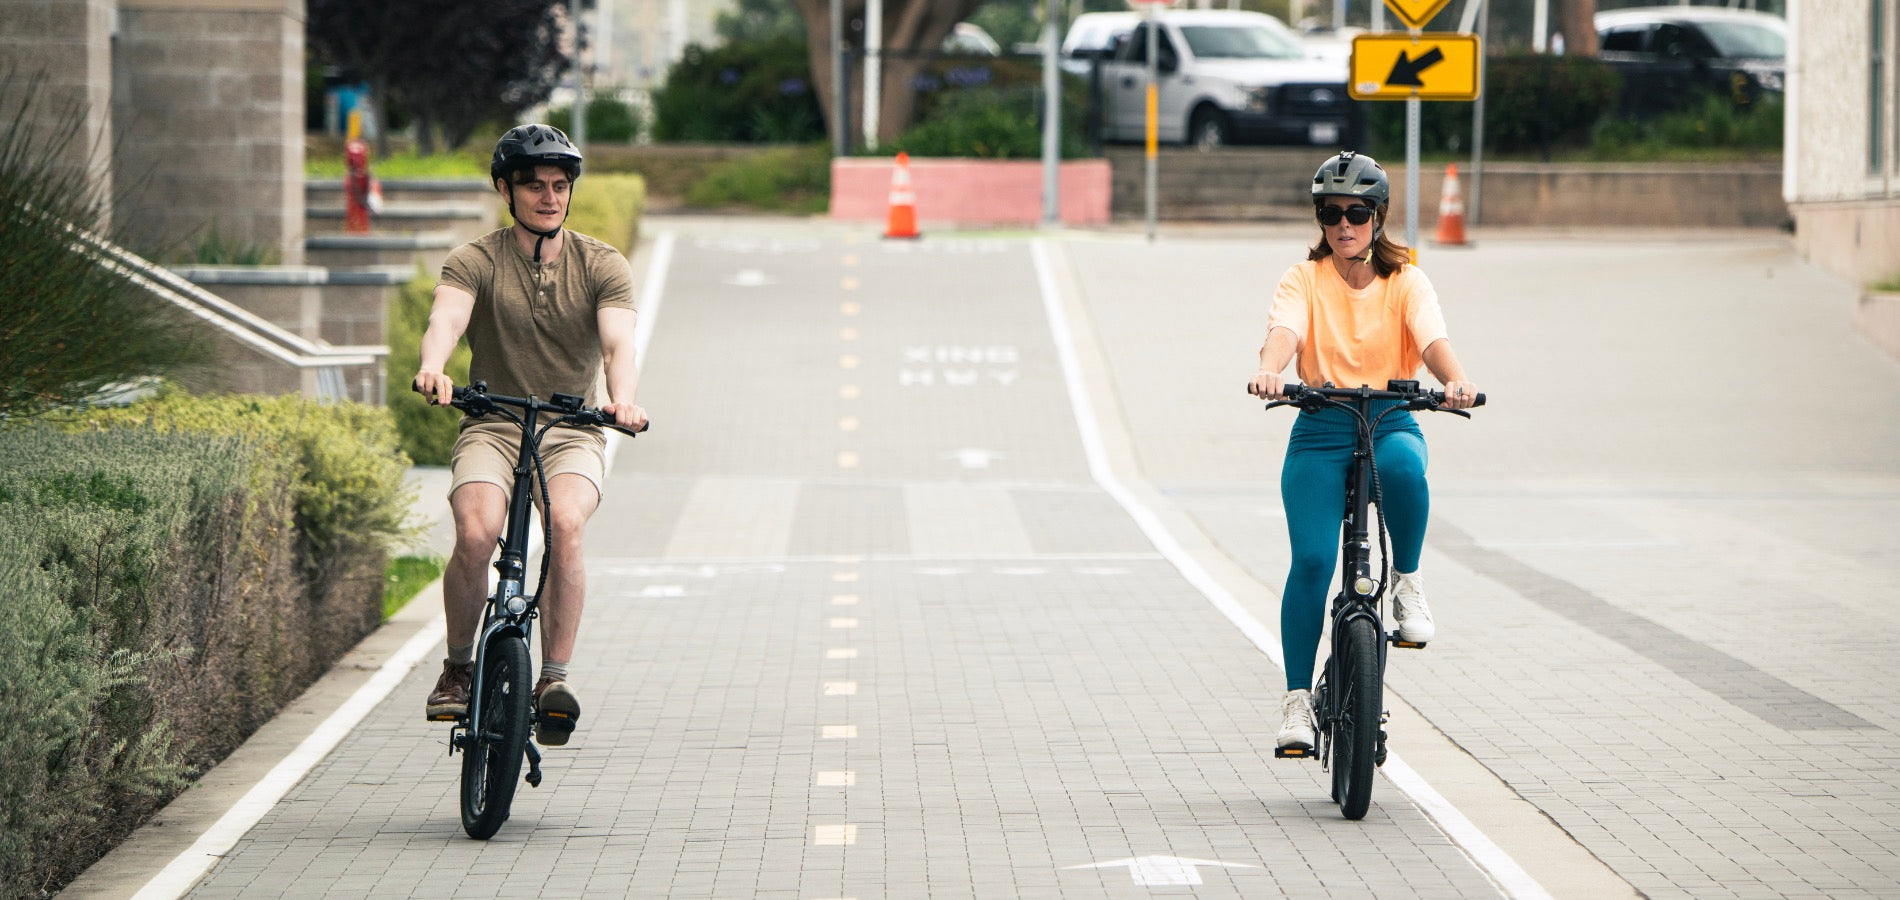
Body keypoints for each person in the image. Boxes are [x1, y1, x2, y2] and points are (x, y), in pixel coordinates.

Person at [412, 123, 647, 747]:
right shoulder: (475, 260)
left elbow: (618, 338)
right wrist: (433, 367)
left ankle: (553, 680)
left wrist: (621, 399)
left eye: (560, 186)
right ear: (505, 189)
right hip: (493, 422)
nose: (549, 197)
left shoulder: (601, 264)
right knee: (475, 531)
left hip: (572, 431)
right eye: (534, 185)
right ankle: (459, 667)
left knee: (566, 525)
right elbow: (448, 316)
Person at [1246, 150, 1478, 753]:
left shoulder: (1407, 281)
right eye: (1330, 213)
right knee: (1315, 562)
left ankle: (1406, 580)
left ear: (1378, 217)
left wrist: (1456, 382)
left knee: (1404, 467)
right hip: (1321, 427)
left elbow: (1433, 341)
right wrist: (1270, 370)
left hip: (1389, 419)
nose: (1343, 226)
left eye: (1356, 213)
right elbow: (1283, 334)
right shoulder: (1303, 279)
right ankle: (1297, 702)